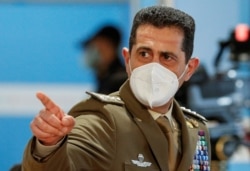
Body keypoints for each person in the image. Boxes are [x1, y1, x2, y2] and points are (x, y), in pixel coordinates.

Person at [22, 6, 211, 171]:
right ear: (128, 60)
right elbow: (65, 162)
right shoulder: (103, 118)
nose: (154, 68)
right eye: (144, 54)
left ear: (189, 69)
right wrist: (50, 145)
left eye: (167, 57)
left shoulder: (197, 129)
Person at [80, 25, 127, 94]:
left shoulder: (120, 82)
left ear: (109, 47)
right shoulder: (104, 80)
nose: (89, 53)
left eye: (93, 48)